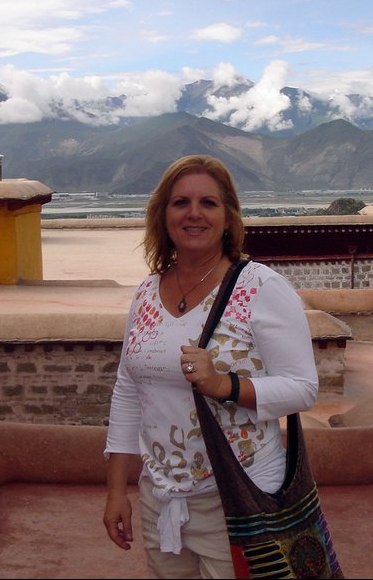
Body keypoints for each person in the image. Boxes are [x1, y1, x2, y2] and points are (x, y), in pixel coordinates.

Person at [102, 154, 319, 579]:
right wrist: (116, 492)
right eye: (180, 202)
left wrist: (225, 385)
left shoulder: (260, 286)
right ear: (163, 215)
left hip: (241, 495)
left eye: (209, 203)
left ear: (228, 217)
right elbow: (128, 391)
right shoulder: (146, 292)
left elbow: (303, 388)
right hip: (160, 497)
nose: (194, 213)